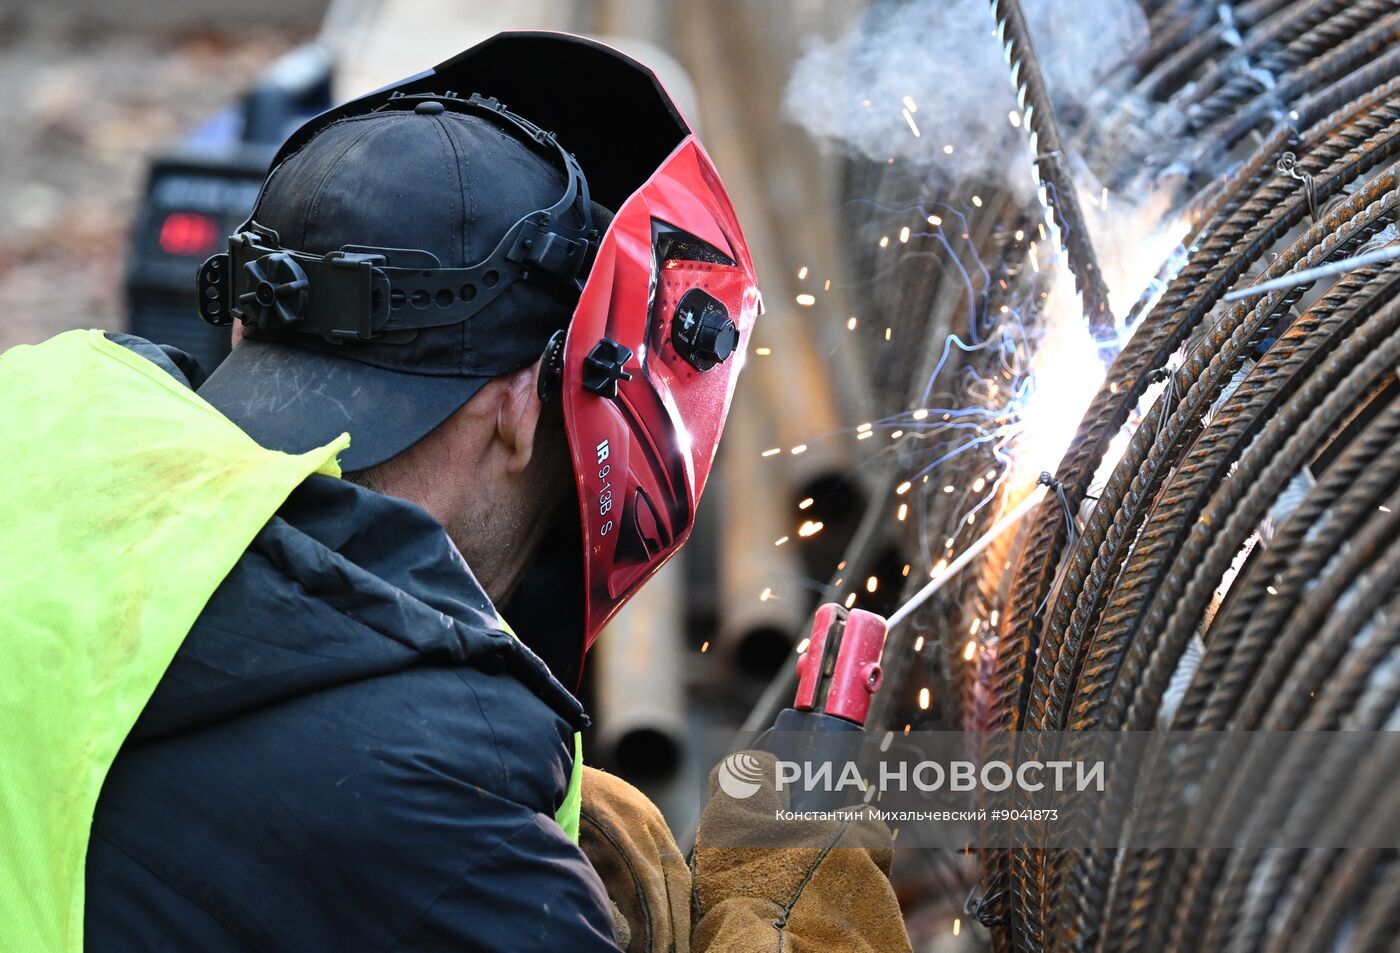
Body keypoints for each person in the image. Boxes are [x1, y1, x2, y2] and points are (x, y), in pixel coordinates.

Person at [0, 32, 909, 952]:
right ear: (521, 407)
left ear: (250, 325)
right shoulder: (425, 774)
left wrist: (525, 826)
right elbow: (374, 797)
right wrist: (793, 890)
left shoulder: (46, 412)